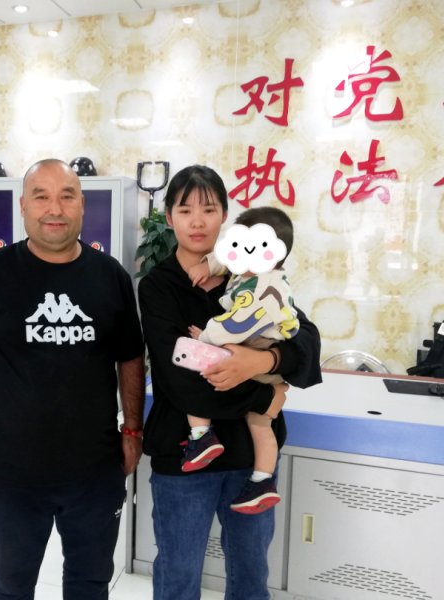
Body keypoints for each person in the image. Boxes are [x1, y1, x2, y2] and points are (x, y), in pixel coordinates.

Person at [0, 158, 145, 600]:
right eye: (41, 197)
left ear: (82, 205)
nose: (55, 208)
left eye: (66, 196)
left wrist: (132, 429)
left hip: (95, 470)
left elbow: (131, 357)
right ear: (23, 206)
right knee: (11, 584)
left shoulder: (110, 275)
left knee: (90, 583)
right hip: (13, 471)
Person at [138, 165, 322, 600]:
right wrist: (266, 393)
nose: (197, 221)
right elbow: (181, 381)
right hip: (184, 456)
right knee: (178, 576)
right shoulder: (159, 286)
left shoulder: (254, 273)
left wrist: (262, 359)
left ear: (225, 216)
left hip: (249, 459)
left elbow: (306, 342)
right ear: (169, 216)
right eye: (185, 210)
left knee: (250, 576)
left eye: (209, 209)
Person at [178, 207, 300, 514]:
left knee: (196, 364)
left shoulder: (263, 289)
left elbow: (234, 326)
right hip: (262, 361)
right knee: (260, 422)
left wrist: (205, 337)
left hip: (257, 346)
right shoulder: (251, 269)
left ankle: (202, 437)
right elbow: (227, 258)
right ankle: (262, 481)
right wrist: (208, 265)